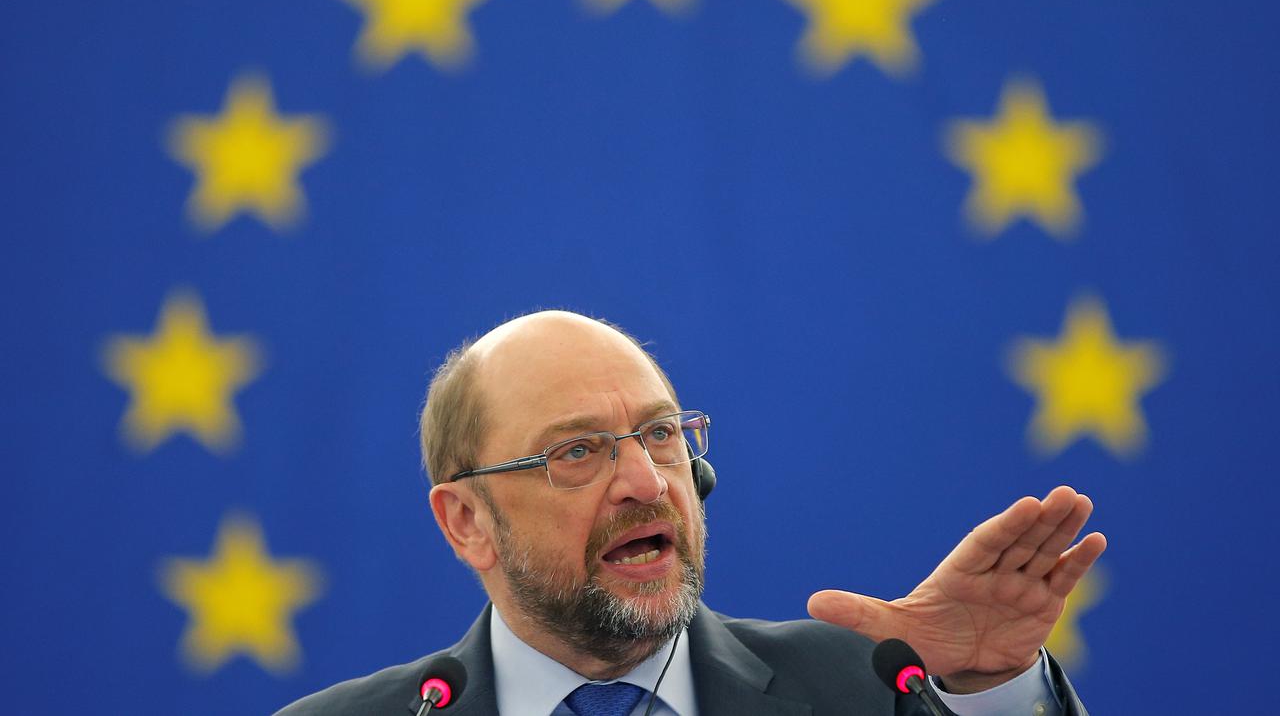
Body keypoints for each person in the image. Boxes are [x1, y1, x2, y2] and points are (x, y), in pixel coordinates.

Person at [278, 311, 1105, 715]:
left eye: (662, 434)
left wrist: (990, 691)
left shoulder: (871, 688)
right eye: (578, 452)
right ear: (466, 521)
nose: (645, 480)